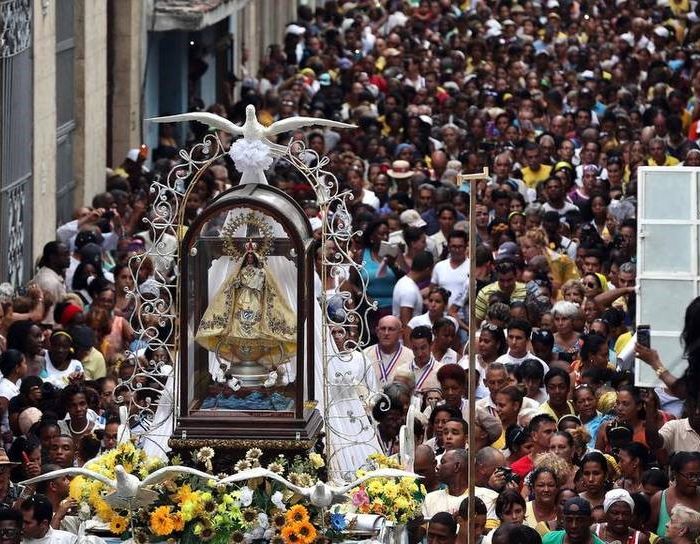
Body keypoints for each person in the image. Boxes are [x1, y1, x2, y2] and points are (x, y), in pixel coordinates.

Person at [423, 448, 498, 526]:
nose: (437, 467)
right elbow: (420, 534)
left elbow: (490, 532)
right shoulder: (430, 499)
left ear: (457, 466)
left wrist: (463, 523)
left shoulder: (488, 498)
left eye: (443, 462)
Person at [650, 451, 700, 538]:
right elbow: (650, 533)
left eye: (699, 475)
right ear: (675, 474)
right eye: (690, 476)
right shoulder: (659, 499)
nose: (695, 480)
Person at [363, 315, 414, 387]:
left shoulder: (411, 357)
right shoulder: (365, 354)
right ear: (377, 331)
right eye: (383, 329)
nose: (386, 333)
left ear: (400, 333)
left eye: (391, 329)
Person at [511, 414, 557, 478]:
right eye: (548, 432)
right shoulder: (517, 468)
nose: (553, 435)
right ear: (534, 435)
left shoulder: (562, 461)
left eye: (555, 431)